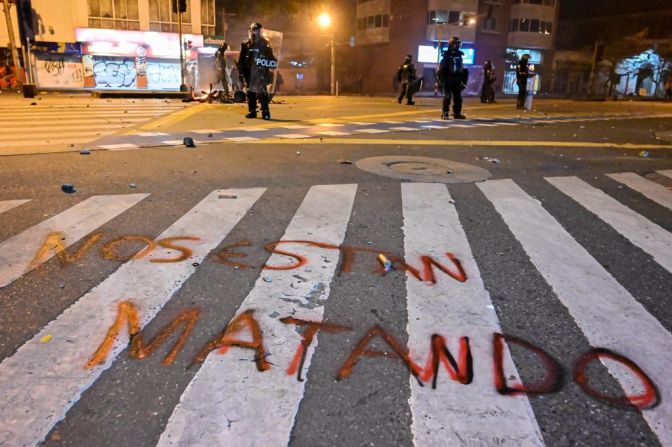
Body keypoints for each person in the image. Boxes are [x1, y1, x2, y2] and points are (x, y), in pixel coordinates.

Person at [237, 22, 277, 120]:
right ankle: (252, 111)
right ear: (250, 32)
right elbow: (241, 60)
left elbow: (271, 57)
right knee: (250, 93)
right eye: (254, 31)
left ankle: (266, 112)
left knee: (262, 92)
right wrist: (241, 73)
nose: (256, 33)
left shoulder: (265, 44)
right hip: (249, 73)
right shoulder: (245, 45)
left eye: (258, 31)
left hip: (260, 72)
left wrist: (273, 63)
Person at [437, 37, 468, 119]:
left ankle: (457, 113)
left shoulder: (459, 55)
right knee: (447, 97)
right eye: (456, 44)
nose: (458, 45)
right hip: (448, 80)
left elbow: (462, 69)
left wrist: (464, 82)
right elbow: (442, 70)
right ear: (452, 44)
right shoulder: (447, 56)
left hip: (457, 80)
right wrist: (442, 82)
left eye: (458, 44)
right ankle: (445, 112)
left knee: (458, 98)